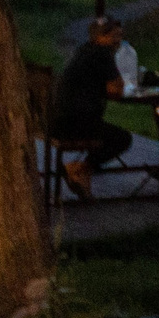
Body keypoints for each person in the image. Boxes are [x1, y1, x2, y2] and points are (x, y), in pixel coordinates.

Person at [50, 15, 135, 199]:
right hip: (76, 123)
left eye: (120, 36)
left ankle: (81, 171)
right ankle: (81, 169)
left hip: (58, 121)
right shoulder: (102, 53)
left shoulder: (84, 50)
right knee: (122, 138)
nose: (118, 41)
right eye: (114, 36)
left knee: (108, 132)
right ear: (100, 38)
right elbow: (116, 89)